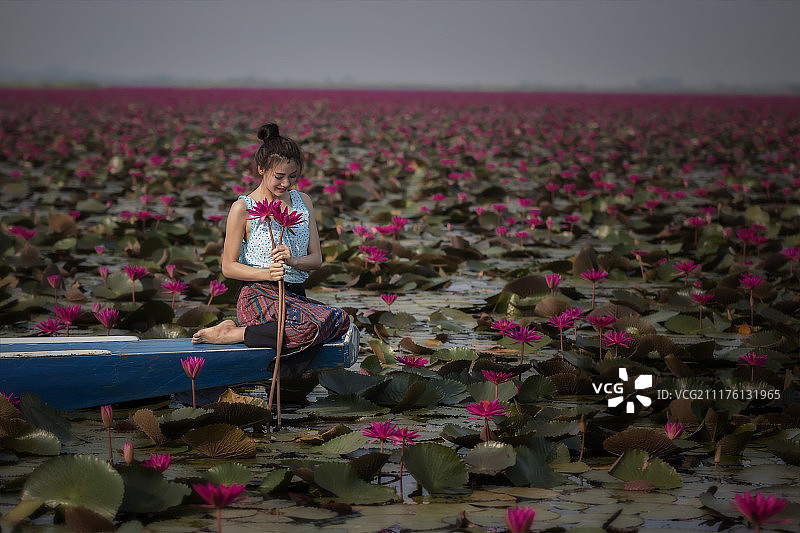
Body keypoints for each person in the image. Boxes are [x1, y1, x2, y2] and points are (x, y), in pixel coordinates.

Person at [192, 123, 350, 369]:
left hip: (295, 296)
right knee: (309, 328)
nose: (286, 184)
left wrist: (293, 261)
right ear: (261, 169)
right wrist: (266, 273)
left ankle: (249, 339)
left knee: (341, 320)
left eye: (293, 176)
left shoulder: (303, 202)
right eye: (279, 176)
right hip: (258, 295)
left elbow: (316, 259)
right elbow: (228, 267)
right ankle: (231, 334)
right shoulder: (243, 208)